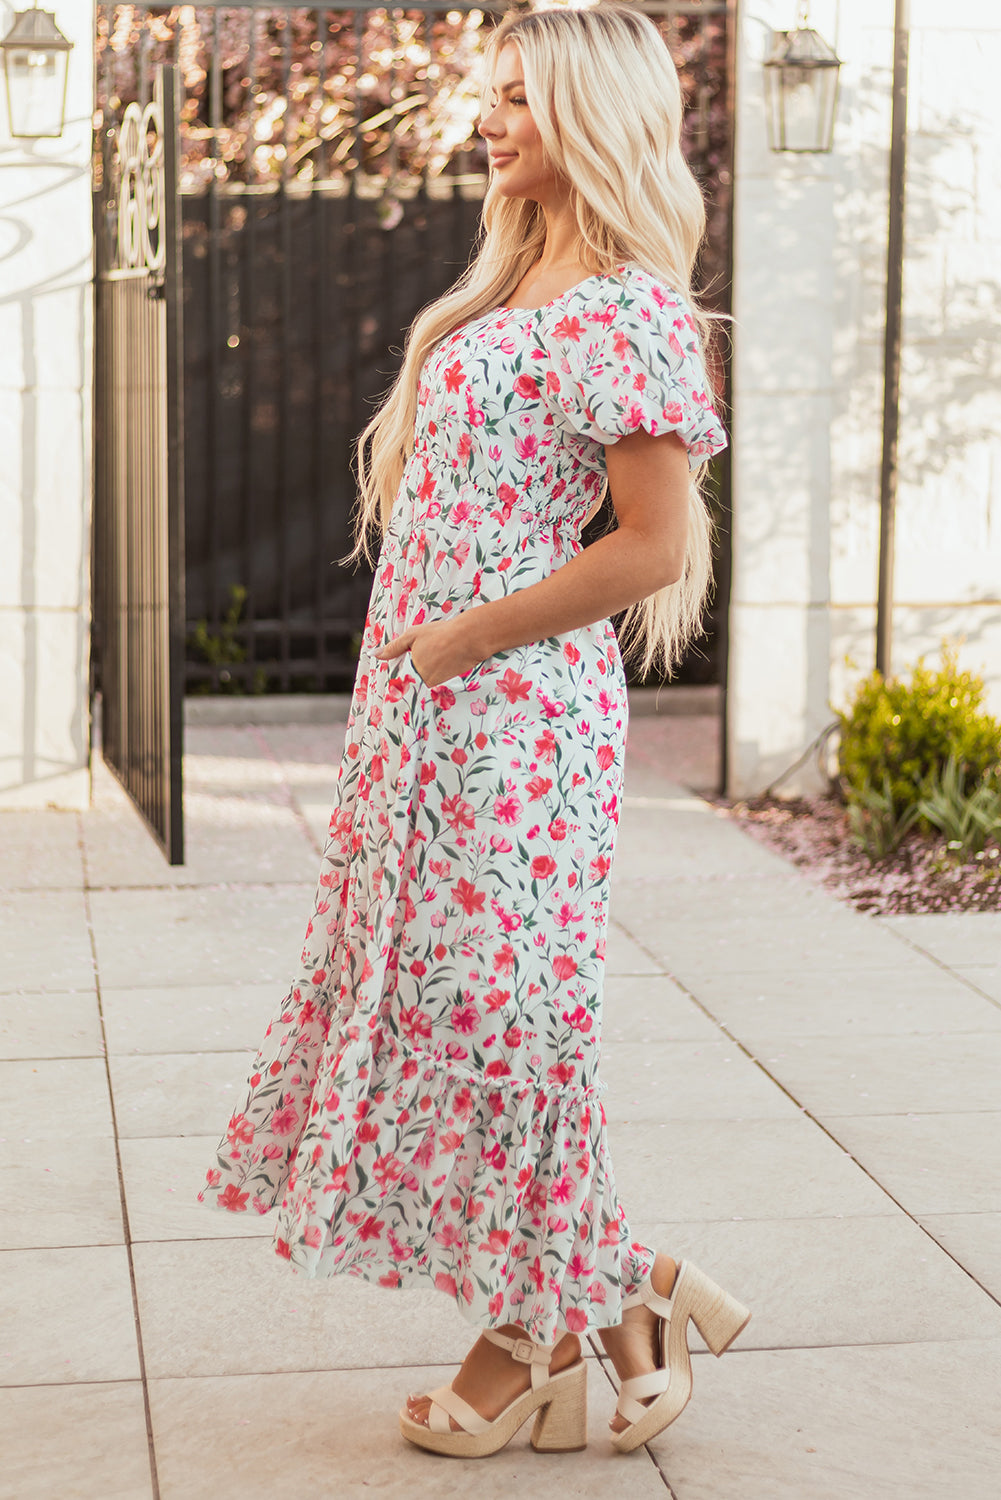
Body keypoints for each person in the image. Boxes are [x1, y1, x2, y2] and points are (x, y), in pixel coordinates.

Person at [199, 1, 749, 1460]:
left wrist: (465, 638)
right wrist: (418, 666)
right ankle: (618, 1296)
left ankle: (533, 1340)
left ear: (593, 113)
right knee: (458, 1015)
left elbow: (650, 546)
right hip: (426, 711)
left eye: (518, 95)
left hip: (515, 721)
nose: (488, 117)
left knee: (509, 1024)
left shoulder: (625, 308)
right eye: (487, 91)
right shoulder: (509, 284)